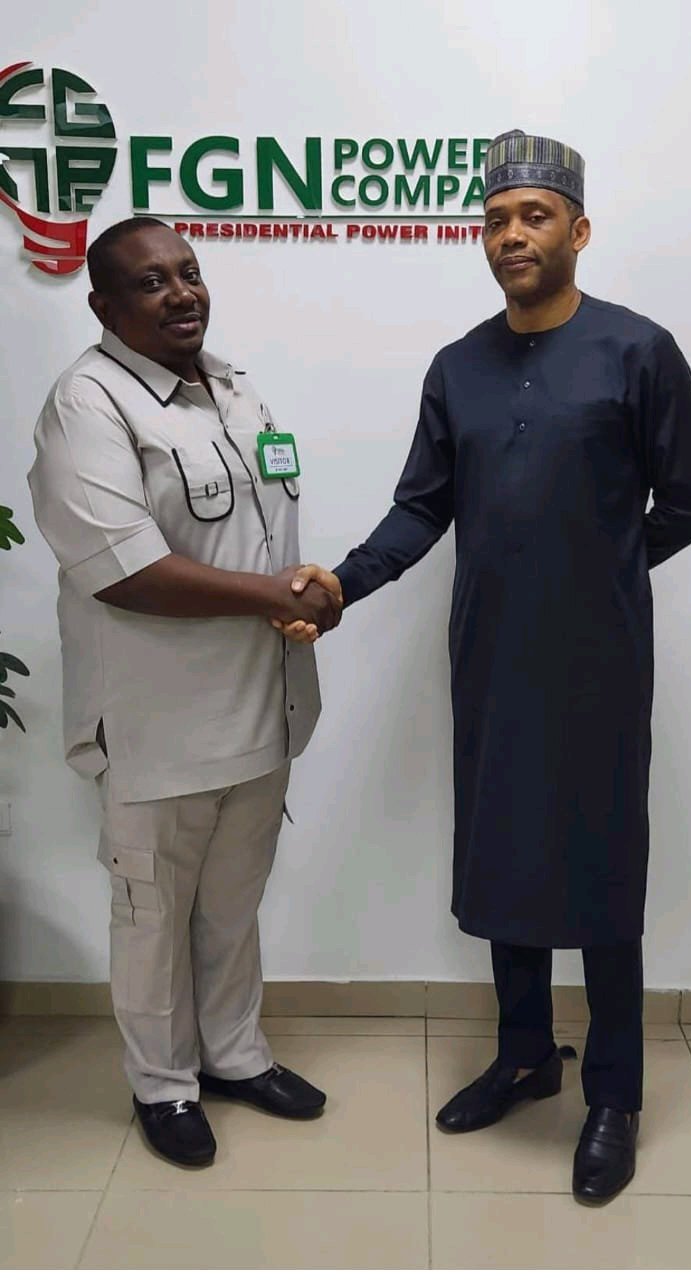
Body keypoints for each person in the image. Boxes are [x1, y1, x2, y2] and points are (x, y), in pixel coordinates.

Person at [283, 130, 691, 1205]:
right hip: (489, 656)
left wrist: (602, 567)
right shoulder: (458, 366)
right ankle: (525, 1054)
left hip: (599, 663)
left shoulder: (638, 351)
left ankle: (612, 1091)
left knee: (602, 867)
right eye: (494, 219)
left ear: (579, 230)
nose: (511, 235)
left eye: (534, 216)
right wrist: (341, 585)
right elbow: (421, 506)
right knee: (505, 850)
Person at [28, 217, 343, 1169]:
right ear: (103, 304)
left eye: (190, 272)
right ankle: (163, 1085)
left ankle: (235, 1056)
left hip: (262, 710)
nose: (181, 293)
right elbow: (124, 570)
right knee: (153, 916)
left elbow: (267, 535)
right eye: (152, 282)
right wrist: (276, 597)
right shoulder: (87, 404)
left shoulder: (235, 390)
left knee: (233, 905)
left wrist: (308, 595)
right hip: (157, 727)